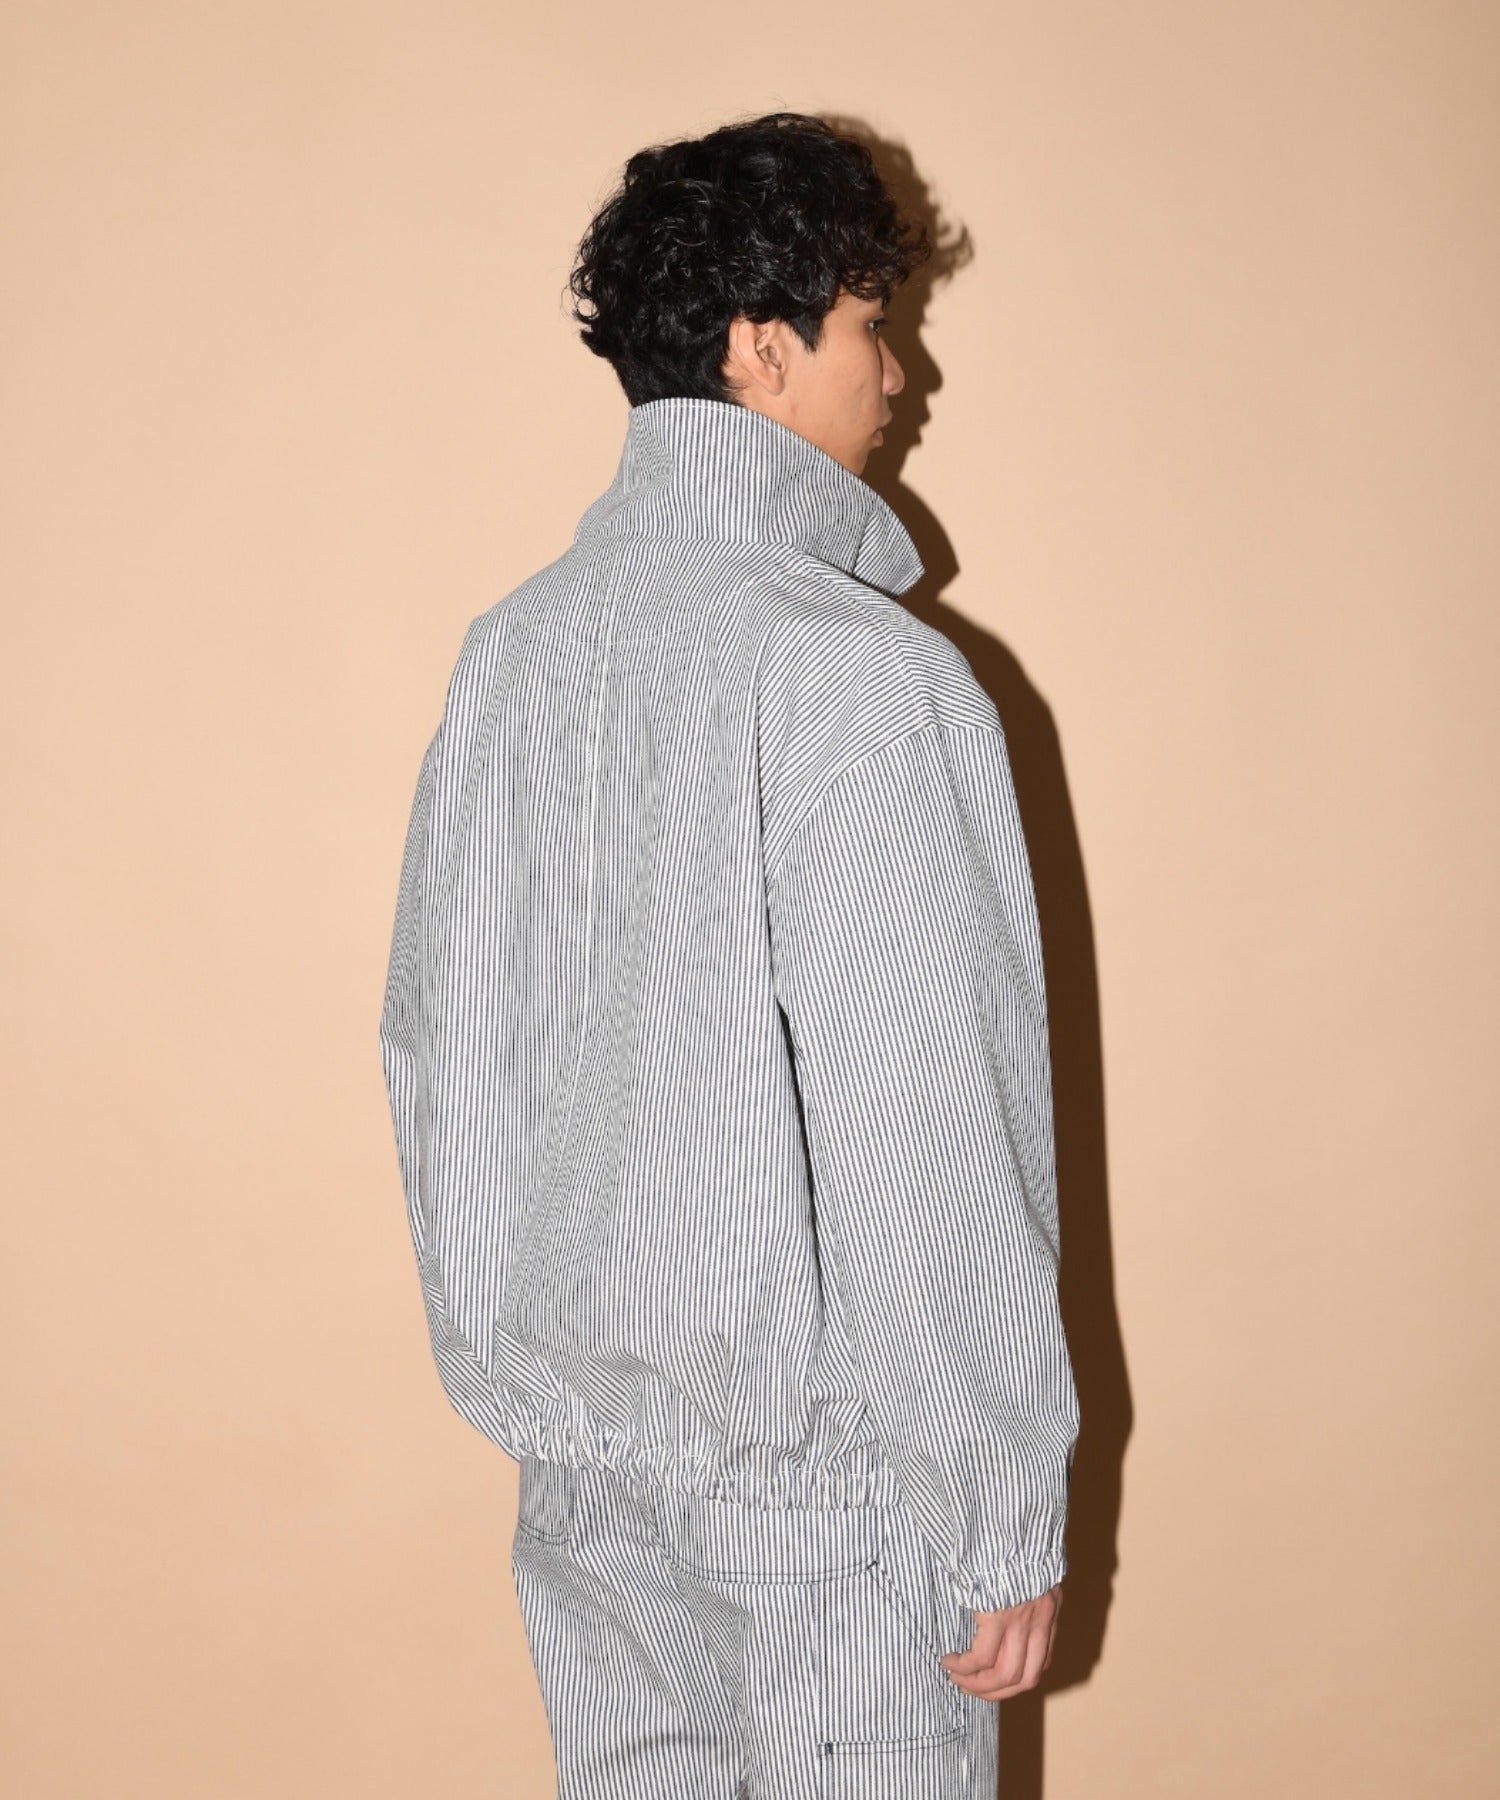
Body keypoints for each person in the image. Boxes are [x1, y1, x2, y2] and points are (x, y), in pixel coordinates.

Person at [378, 110, 1080, 1799]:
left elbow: (441, 1063)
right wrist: (993, 1501)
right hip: (828, 1510)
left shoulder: (515, 655)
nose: (900, 373)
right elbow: (925, 1117)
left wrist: (544, 1401)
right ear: (763, 350)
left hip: (591, 1490)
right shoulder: (858, 671)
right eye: (869, 323)